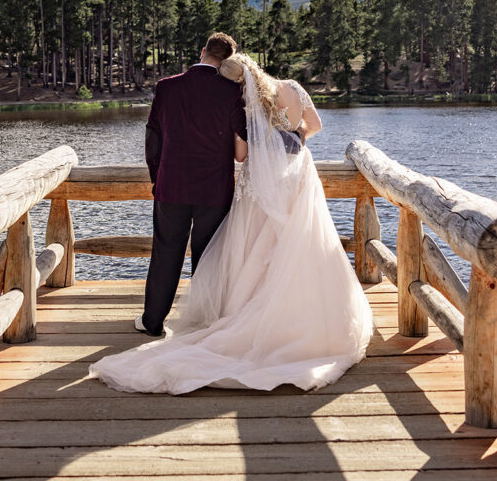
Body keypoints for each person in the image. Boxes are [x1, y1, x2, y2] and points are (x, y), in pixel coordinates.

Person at [89, 52, 373, 394]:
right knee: (299, 241)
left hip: (225, 185)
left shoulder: (232, 101)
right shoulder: (290, 88)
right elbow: (314, 126)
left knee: (245, 247)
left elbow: (238, 154)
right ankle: (301, 317)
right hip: (293, 176)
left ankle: (165, 320)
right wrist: (295, 138)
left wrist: (157, 175)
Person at [135, 32, 247, 338]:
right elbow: (246, 137)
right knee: (208, 256)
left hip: (171, 186)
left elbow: (152, 138)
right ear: (227, 62)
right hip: (215, 189)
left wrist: (157, 178)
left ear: (202, 52)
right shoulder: (231, 92)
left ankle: (153, 321)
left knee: (166, 253)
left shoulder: (166, 87)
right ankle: (202, 324)